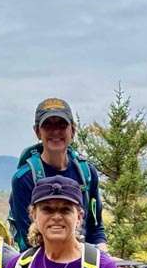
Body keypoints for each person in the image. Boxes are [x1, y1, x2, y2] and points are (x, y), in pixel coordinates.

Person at [9, 98, 107, 251]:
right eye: (48, 125)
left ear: (72, 130)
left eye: (62, 125)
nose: (55, 131)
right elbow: (29, 239)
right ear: (37, 132)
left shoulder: (87, 173)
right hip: (43, 258)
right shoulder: (24, 179)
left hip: (85, 256)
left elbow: (95, 227)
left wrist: (102, 255)